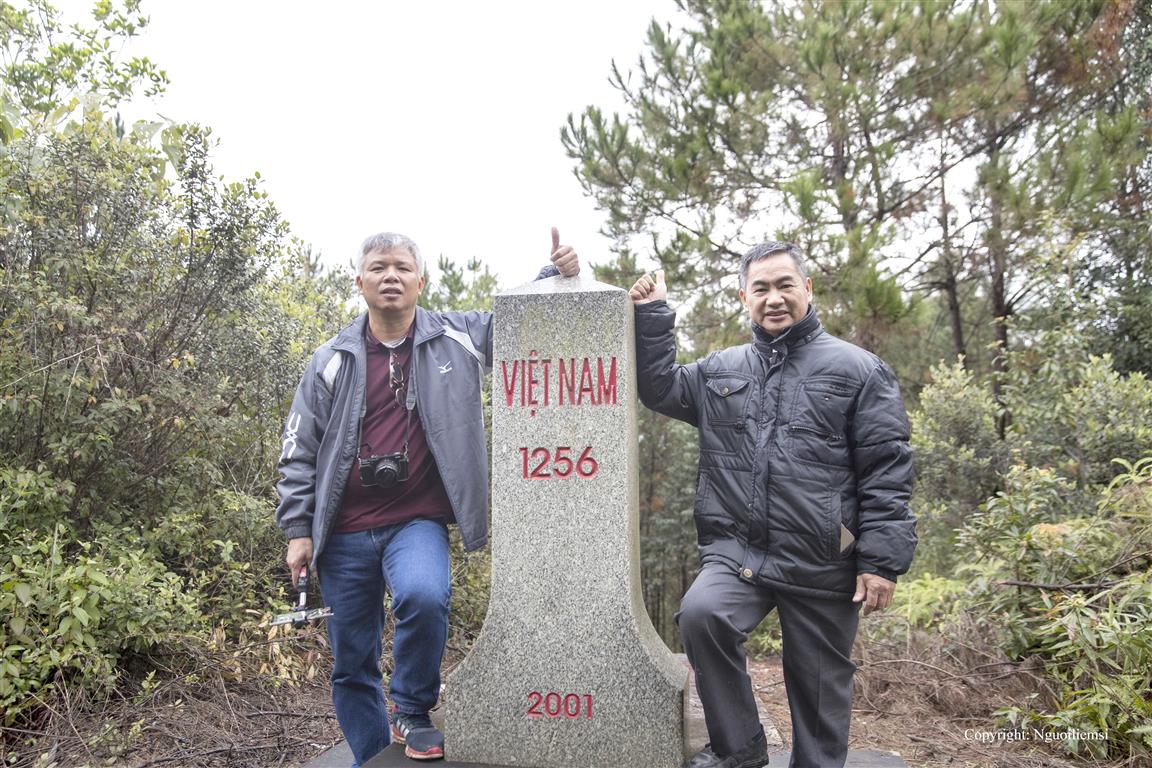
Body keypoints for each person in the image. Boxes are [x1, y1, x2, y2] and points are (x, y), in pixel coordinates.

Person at [275, 230, 579, 766]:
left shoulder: (457, 336)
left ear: (421, 280)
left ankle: (412, 708)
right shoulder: (330, 359)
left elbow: (517, 320)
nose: (390, 276)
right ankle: (373, 755)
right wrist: (299, 530)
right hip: (342, 530)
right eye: (378, 268)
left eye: (401, 267)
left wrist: (553, 275)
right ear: (360, 282)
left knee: (424, 595)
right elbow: (299, 450)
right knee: (351, 661)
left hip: (415, 519)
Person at [629, 242, 916, 768]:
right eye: (760, 288)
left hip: (824, 555)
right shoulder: (721, 370)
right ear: (745, 297)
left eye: (785, 285)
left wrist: (880, 561)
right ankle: (738, 749)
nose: (774, 298)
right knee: (703, 615)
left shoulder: (859, 370)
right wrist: (652, 313)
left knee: (819, 683)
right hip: (740, 552)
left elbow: (887, 469)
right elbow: (660, 387)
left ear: (807, 288)